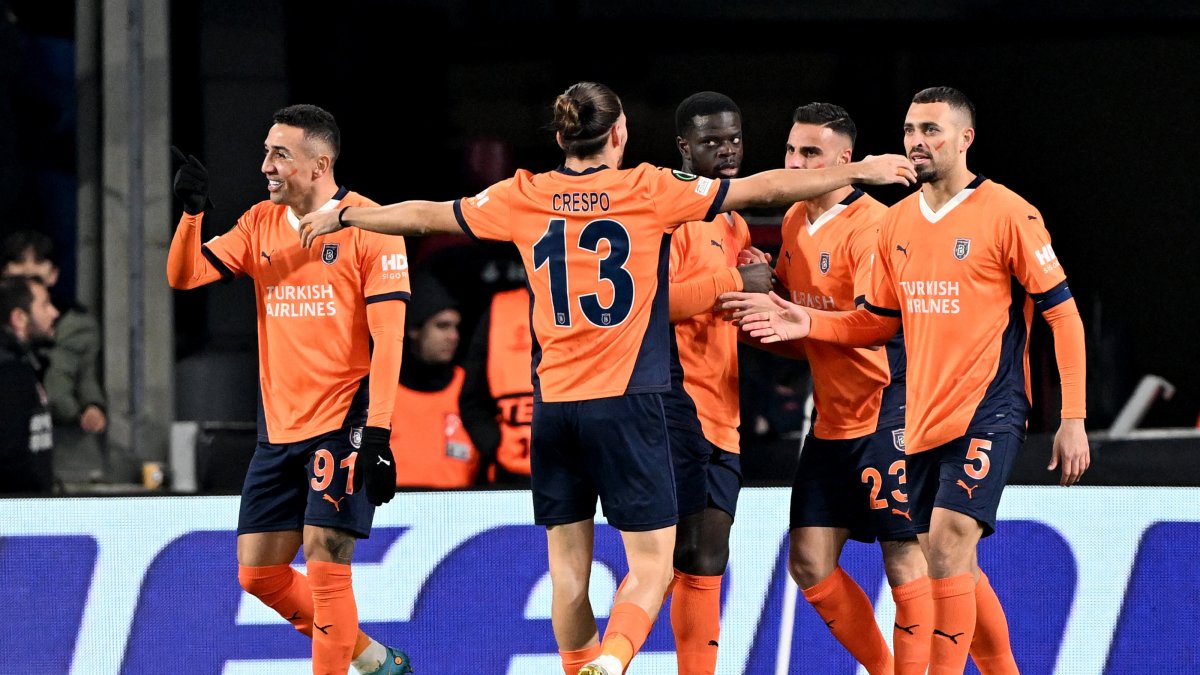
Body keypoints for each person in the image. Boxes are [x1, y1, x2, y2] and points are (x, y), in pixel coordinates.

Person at [296, 81, 916, 675]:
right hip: (629, 403)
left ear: (562, 139)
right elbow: (764, 187)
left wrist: (346, 216)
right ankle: (611, 662)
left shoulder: (523, 194)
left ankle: (583, 669)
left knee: (569, 571)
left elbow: (429, 215)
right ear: (620, 133)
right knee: (654, 568)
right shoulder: (648, 190)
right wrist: (858, 172)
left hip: (555, 407)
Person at [724, 86, 1089, 675]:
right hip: (910, 414)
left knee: (939, 549)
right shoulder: (894, 222)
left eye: (932, 130)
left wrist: (1073, 418)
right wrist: (794, 316)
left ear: (965, 138)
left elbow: (1061, 313)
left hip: (963, 405)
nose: (918, 142)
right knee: (944, 561)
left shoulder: (1006, 213)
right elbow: (875, 321)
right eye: (911, 130)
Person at [165, 104, 413, 675]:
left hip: (343, 418)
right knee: (258, 573)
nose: (266, 165)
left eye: (281, 154)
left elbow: (390, 342)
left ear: (320, 162)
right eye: (266, 152)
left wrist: (377, 433)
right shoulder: (259, 223)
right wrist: (192, 213)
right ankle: (374, 659)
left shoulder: (372, 226)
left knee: (327, 556)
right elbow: (184, 275)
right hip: (278, 425)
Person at [764, 102, 929, 675]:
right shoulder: (792, 222)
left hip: (889, 406)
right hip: (831, 418)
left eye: (810, 153)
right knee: (809, 562)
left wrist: (801, 322)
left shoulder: (874, 226)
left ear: (845, 159)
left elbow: (877, 324)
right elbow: (793, 331)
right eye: (790, 150)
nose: (796, 162)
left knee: (906, 555)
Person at [660, 91, 772, 674]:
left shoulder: (731, 218)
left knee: (708, 556)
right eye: (711, 141)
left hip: (721, 407)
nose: (727, 151)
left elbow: (727, 307)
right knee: (660, 559)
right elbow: (652, 305)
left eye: (733, 138)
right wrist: (737, 277)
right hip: (673, 407)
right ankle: (602, 659)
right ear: (684, 147)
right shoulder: (671, 215)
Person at [2, 230, 108, 481]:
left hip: (56, 451)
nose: (28, 270)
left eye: (38, 263)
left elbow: (86, 377)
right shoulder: (9, 365)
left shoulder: (76, 327)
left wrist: (91, 406)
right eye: (18, 262)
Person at [390, 274, 479, 489]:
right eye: (442, 326)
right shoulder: (381, 388)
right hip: (389, 515)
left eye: (456, 327)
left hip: (466, 513)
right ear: (414, 329)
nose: (453, 336)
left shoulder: (470, 387)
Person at [459, 285, 535, 486]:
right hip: (511, 476)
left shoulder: (591, 302)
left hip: (581, 474)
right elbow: (472, 400)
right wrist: (495, 445)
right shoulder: (503, 309)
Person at [0, 275, 57, 493]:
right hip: (16, 515)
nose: (54, 312)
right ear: (19, 318)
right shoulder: (8, 371)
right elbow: (8, 454)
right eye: (45, 305)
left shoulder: (25, 363)